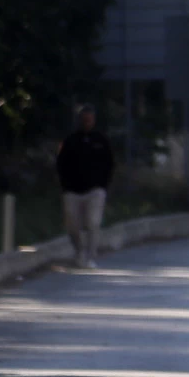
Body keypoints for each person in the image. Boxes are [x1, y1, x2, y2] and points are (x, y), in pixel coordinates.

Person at [56, 107, 114, 268]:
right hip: (72, 190)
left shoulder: (101, 140)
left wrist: (104, 185)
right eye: (84, 119)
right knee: (72, 224)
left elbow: (109, 164)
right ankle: (79, 251)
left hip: (95, 190)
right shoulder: (70, 140)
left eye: (90, 119)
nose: (87, 123)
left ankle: (89, 256)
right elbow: (61, 164)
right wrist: (65, 185)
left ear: (94, 120)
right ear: (79, 120)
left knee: (93, 222)